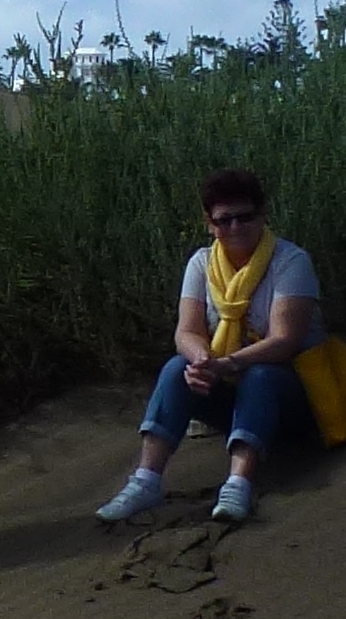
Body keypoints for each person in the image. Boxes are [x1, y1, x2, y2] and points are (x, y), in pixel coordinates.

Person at [96, 168, 322, 528]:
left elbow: (285, 341)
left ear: (262, 214)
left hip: (297, 396)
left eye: (245, 217)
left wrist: (228, 363)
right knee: (177, 368)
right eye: (224, 220)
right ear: (209, 222)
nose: (235, 228)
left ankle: (239, 482)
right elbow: (186, 331)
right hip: (231, 386)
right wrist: (201, 359)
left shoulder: (290, 261)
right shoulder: (201, 263)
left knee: (261, 374)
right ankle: (146, 480)